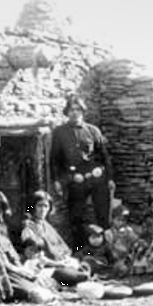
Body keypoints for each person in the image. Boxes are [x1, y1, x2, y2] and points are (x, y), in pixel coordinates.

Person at [50, 94, 115, 250]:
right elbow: (54, 159)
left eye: (78, 109)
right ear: (67, 112)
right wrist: (56, 180)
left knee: (103, 214)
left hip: (96, 178)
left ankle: (106, 250)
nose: (75, 113)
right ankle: (80, 249)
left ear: (83, 111)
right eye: (71, 109)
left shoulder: (93, 131)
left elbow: (105, 156)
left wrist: (110, 178)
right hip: (75, 180)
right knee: (76, 216)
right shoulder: (60, 132)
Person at [19, 190, 91, 287]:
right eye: (39, 205)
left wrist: (66, 261)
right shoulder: (29, 228)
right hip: (43, 268)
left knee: (85, 265)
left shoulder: (45, 224)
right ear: (33, 206)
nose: (43, 209)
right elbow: (36, 258)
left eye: (46, 206)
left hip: (58, 263)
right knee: (81, 276)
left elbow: (60, 247)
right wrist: (59, 264)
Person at [104, 204, 139, 278]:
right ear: (113, 220)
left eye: (123, 220)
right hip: (115, 258)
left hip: (128, 257)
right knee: (120, 268)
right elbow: (109, 248)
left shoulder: (128, 230)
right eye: (118, 220)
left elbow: (135, 240)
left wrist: (129, 236)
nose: (121, 223)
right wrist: (117, 238)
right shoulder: (108, 233)